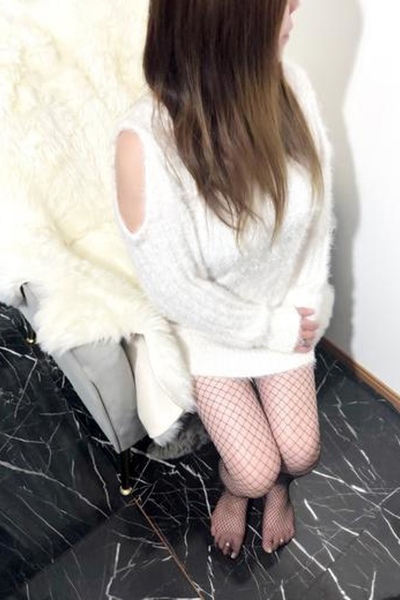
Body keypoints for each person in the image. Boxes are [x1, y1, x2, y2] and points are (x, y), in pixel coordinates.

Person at [114, 0, 334, 560]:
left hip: (283, 309)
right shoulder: (146, 146)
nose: (297, 7)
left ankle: (277, 487)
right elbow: (176, 292)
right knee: (254, 469)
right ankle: (239, 490)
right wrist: (270, 328)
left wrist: (307, 304)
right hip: (211, 328)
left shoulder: (291, 87)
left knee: (301, 454)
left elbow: (317, 218)